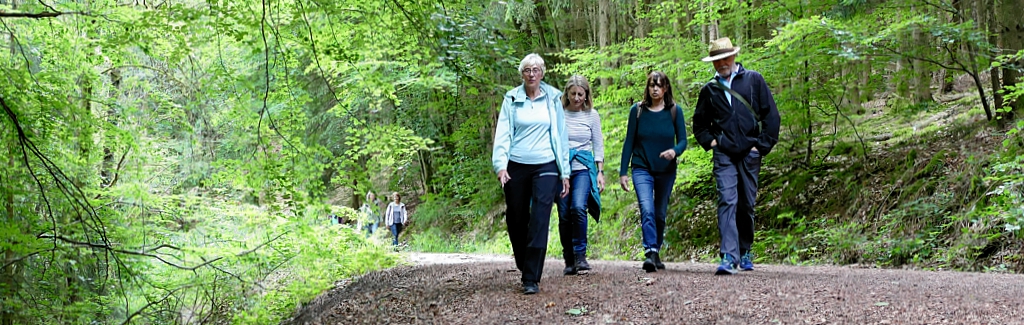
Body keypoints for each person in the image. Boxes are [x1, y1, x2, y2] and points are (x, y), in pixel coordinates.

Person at [691, 37, 780, 275]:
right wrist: (712, 142)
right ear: (713, 63)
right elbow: (699, 124)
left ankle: (745, 249)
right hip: (724, 154)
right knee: (727, 200)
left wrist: (760, 146)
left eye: (726, 57)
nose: (722, 63)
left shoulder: (754, 80)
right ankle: (729, 256)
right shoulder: (709, 90)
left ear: (734, 56)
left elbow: (771, 117)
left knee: (746, 204)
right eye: (717, 59)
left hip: (750, 152)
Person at [492, 53, 570, 295]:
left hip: (546, 164)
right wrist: (501, 165)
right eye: (527, 70)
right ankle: (524, 260)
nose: (532, 73)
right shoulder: (512, 98)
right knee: (516, 218)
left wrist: (564, 171)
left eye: (536, 69)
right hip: (516, 163)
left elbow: (561, 135)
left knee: (540, 218)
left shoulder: (554, 98)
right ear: (522, 74)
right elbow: (503, 132)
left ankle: (531, 277)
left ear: (542, 73)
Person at [618, 71, 687, 273]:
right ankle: (650, 252)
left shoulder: (675, 111)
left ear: (666, 88)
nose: (655, 89)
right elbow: (629, 141)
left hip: (666, 170)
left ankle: (656, 250)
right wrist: (623, 172)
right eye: (651, 85)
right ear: (647, 88)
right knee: (646, 208)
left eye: (659, 85)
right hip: (642, 167)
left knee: (660, 213)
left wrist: (674, 151)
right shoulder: (637, 111)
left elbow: (683, 140)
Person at [556, 75, 605, 276]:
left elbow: (598, 144)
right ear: (567, 93)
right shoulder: (558, 113)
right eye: (573, 93)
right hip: (562, 169)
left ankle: (580, 255)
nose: (577, 98)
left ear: (586, 95)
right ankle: (568, 258)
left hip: (583, 167)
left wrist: (600, 171)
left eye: (580, 94)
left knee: (578, 207)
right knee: (564, 213)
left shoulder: (592, 115)